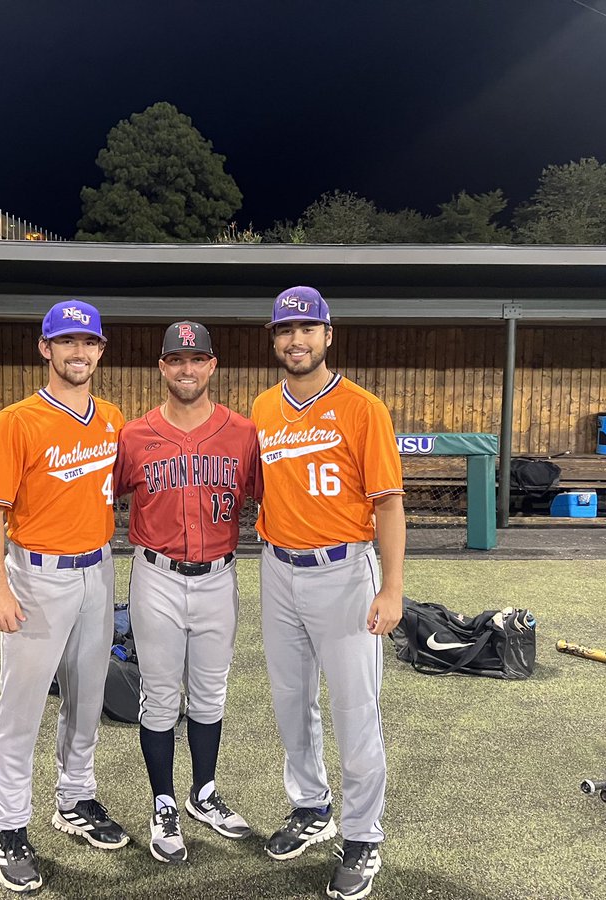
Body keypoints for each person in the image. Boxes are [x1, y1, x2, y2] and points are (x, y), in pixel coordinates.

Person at [251, 286, 406, 900]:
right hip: (276, 567)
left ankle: (363, 833)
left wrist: (392, 587)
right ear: (274, 339)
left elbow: (389, 504)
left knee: (354, 708)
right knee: (292, 702)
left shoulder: (363, 407)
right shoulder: (262, 408)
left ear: (328, 334)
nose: (297, 340)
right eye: (286, 331)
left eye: (307, 329)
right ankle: (311, 807)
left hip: (344, 570)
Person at [0, 300, 129, 893]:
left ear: (100, 350)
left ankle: (76, 798)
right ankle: (9, 825)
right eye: (66, 342)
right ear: (46, 349)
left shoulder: (112, 418)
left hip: (97, 570)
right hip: (35, 575)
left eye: (87, 343)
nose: (78, 352)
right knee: (22, 707)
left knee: (88, 698)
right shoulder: (18, 421)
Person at [114, 321, 260, 864]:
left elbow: (271, 496)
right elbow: (99, 497)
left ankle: (203, 794)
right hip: (156, 575)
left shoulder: (243, 434)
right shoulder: (134, 435)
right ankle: (163, 802)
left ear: (213, 365)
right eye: (176, 360)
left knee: (210, 692)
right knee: (159, 697)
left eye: (196, 360)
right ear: (162, 368)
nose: (187, 369)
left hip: (221, 574)